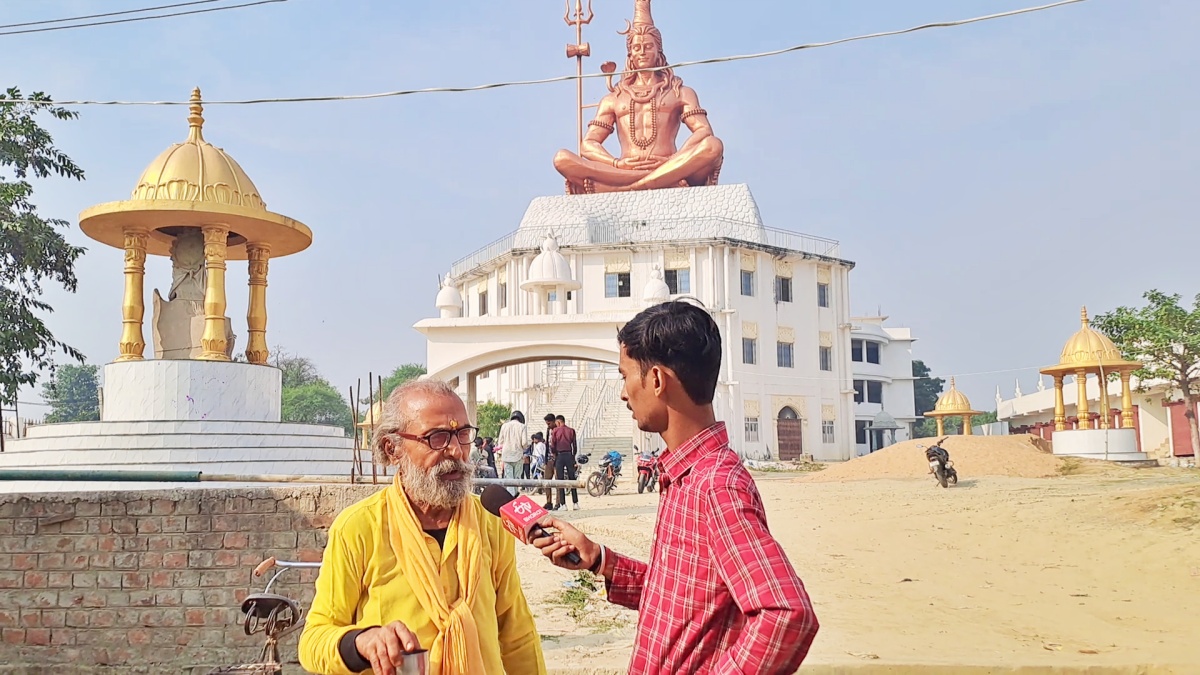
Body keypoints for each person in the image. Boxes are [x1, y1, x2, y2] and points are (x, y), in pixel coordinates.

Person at [531, 301, 819, 674]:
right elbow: (680, 597)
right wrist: (600, 559)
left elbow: (787, 614)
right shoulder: (684, 477)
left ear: (656, 380)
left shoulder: (715, 485)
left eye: (625, 376)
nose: (623, 393)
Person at [298, 379, 546, 675]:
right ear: (393, 449)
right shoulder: (359, 528)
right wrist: (362, 642)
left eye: (462, 434)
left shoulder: (491, 524)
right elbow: (313, 642)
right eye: (437, 437)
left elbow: (516, 635)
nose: (455, 450)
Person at [550, 414, 579, 511]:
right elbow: (574, 446)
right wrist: (573, 456)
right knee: (572, 479)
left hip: (560, 456)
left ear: (558, 422)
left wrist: (554, 454)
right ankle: (575, 503)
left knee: (560, 480)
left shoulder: (555, 431)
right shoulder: (571, 430)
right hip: (569, 455)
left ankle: (563, 504)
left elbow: (552, 445)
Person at [496, 410, 527, 496]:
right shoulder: (522, 426)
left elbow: (500, 441)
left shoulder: (504, 426)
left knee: (509, 479)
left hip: (506, 456)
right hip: (518, 456)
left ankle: (510, 497)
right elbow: (524, 443)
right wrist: (524, 448)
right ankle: (514, 497)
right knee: (516, 479)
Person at [541, 413, 558, 509]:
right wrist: (545, 460)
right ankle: (549, 502)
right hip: (549, 460)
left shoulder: (557, 430)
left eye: (549, 423)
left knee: (557, 482)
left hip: (556, 459)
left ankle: (558, 503)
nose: (548, 425)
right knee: (546, 481)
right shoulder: (548, 430)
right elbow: (547, 445)